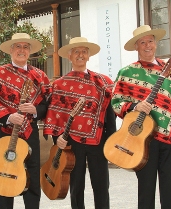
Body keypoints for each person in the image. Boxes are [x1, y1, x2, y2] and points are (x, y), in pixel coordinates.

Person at [111, 25, 171, 209]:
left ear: (155, 44)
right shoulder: (127, 72)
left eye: (150, 41)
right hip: (142, 138)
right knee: (146, 188)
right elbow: (116, 102)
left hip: (170, 136)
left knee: (170, 186)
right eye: (142, 42)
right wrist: (135, 106)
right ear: (136, 47)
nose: (147, 45)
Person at [44, 37, 117, 209]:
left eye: (84, 51)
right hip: (72, 143)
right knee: (76, 187)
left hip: (98, 141)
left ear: (89, 56)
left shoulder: (103, 82)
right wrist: (57, 139)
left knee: (101, 186)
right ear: (69, 56)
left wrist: (111, 140)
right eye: (76, 51)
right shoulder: (60, 84)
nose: (80, 55)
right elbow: (55, 113)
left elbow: (109, 112)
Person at [0, 33, 51, 209]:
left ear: (30, 52)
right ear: (11, 50)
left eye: (26, 47)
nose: (22, 50)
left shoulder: (39, 76)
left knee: (32, 177)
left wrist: (36, 111)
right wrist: (7, 117)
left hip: (31, 134)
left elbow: (48, 103)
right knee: (4, 175)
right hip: (6, 134)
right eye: (18, 47)